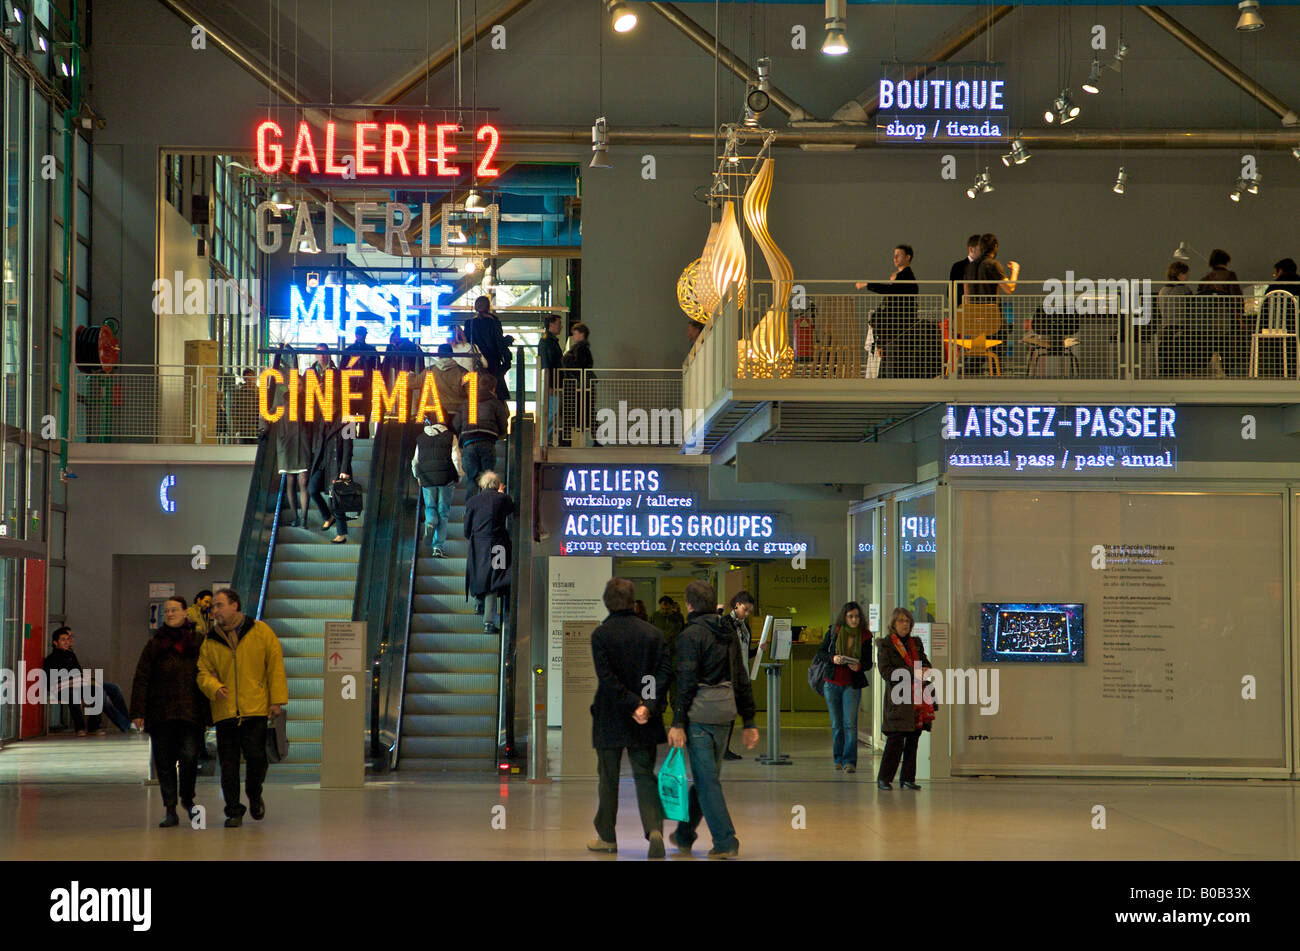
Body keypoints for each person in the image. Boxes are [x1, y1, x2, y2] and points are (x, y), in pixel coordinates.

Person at [668, 579, 758, 859]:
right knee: (707, 778)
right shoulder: (728, 632)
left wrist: (678, 722)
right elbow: (740, 676)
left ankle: (726, 840)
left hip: (699, 716)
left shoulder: (690, 635)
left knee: (707, 781)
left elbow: (685, 682)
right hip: (724, 714)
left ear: (690, 605)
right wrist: (749, 719)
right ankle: (684, 835)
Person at [587, 577, 673, 858]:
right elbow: (660, 674)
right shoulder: (653, 634)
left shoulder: (601, 635)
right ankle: (654, 828)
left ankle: (608, 837)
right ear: (633, 601)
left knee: (608, 777)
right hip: (644, 720)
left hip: (610, 716)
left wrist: (631, 703)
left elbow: (608, 679)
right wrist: (645, 704)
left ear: (607, 602)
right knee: (645, 775)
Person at [197, 588, 288, 828]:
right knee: (228, 764)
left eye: (219, 605)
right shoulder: (211, 640)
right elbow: (202, 671)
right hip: (225, 710)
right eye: (213, 607)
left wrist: (276, 700)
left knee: (257, 758)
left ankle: (254, 792)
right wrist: (213, 686)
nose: (214, 611)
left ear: (234, 605)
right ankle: (233, 810)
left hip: (255, 709)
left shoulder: (261, 632)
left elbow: (274, 666)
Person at [129, 596, 208, 827]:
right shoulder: (155, 644)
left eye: (174, 610)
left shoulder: (198, 641)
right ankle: (170, 807)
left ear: (186, 613)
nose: (170, 614)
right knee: (164, 762)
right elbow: (142, 678)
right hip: (161, 712)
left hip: (190, 712)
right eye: (167, 611)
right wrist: (138, 712)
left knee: (190, 758)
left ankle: (188, 799)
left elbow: (208, 673)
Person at [875, 607, 934, 791]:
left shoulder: (915, 643)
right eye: (901, 620)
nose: (905, 624)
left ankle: (908, 778)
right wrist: (912, 672)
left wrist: (925, 669)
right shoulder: (885, 645)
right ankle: (884, 778)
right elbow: (886, 673)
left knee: (913, 740)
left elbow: (925, 662)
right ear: (893, 624)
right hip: (898, 699)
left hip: (917, 699)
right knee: (895, 740)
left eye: (907, 621)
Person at [43, 627, 134, 735]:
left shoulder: (71, 655)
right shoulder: (51, 659)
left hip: (79, 684)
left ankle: (95, 726)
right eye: (63, 639)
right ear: (55, 642)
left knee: (99, 691)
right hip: (63, 689)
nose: (67, 642)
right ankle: (80, 727)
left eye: (68, 639)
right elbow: (54, 682)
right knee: (73, 693)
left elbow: (78, 674)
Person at [817, 602, 872, 773]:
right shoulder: (835, 631)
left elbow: (868, 662)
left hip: (852, 684)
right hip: (832, 683)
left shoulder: (865, 636)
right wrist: (833, 659)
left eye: (856, 616)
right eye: (850, 616)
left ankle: (850, 761)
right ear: (845, 617)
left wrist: (860, 666)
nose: (854, 620)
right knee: (836, 724)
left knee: (850, 723)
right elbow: (821, 653)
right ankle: (838, 759)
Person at [463, 470, 514, 634]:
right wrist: (501, 494)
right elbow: (510, 509)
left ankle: (479, 604)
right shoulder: (503, 499)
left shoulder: (472, 501)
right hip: (498, 545)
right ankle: (489, 623)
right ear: (498, 484)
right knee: (495, 579)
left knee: (478, 573)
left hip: (478, 544)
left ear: (482, 485)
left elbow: (466, 529)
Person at [858, 244, 919, 374]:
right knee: (889, 371)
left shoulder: (906, 277)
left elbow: (890, 292)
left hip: (898, 334)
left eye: (899, 255)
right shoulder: (904, 277)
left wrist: (868, 284)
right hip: (894, 335)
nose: (895, 258)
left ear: (908, 257)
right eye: (894, 255)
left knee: (891, 372)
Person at [267, 347, 311, 526]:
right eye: (297, 384)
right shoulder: (283, 401)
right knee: (291, 484)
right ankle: (295, 517)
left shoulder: (308, 402)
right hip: (288, 445)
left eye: (301, 384)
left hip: (302, 445)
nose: (299, 387)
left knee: (303, 483)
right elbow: (267, 414)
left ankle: (304, 518)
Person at [452, 372, 509, 499]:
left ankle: (470, 511)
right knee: (487, 479)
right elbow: (503, 424)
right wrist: (500, 434)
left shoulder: (467, 403)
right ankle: (485, 509)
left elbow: (456, 424)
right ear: (493, 388)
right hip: (487, 442)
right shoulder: (495, 403)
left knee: (472, 478)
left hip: (469, 443)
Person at [412, 413, 458, 557]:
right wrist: (459, 475)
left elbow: (415, 461)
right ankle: (437, 547)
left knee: (431, 507)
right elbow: (455, 458)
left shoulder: (421, 438)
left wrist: (417, 476)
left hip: (427, 479)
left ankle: (430, 520)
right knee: (443, 512)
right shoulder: (451, 436)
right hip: (446, 478)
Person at [1197, 249, 1246, 376]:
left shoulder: (1205, 280)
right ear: (1226, 261)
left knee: (1210, 350)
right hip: (1227, 324)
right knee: (1228, 353)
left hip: (1207, 325)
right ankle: (1229, 374)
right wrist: (1240, 319)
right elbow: (1237, 299)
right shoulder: (1230, 276)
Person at [720, 591, 756, 761]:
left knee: (732, 713)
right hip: (729, 676)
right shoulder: (725, 623)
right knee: (727, 714)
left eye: (750, 611)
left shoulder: (744, 626)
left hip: (742, 675)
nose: (747, 614)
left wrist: (758, 650)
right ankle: (722, 748)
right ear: (737, 604)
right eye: (745, 609)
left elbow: (743, 652)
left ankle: (724, 748)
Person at [465, 295, 514, 402]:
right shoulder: (494, 322)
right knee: (497, 396)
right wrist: (508, 341)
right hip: (493, 364)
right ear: (488, 307)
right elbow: (499, 343)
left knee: (477, 397)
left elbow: (468, 344)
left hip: (476, 364)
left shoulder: (469, 323)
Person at [342, 325, 380, 438]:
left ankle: (355, 444)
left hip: (363, 390)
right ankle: (350, 445)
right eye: (359, 334)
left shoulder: (351, 351)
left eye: (362, 334)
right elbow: (342, 370)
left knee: (363, 420)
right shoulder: (351, 351)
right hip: (353, 390)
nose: (360, 336)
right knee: (352, 420)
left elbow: (377, 370)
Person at [561, 323, 594, 446]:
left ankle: (567, 440)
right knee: (584, 413)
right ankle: (593, 439)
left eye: (575, 333)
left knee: (572, 413)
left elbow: (577, 366)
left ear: (582, 334)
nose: (573, 336)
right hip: (580, 386)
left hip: (577, 386)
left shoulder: (580, 350)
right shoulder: (583, 349)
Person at [539, 315, 565, 444]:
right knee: (552, 413)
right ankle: (544, 440)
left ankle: (546, 439)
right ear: (551, 324)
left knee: (553, 413)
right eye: (559, 323)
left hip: (555, 383)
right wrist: (548, 384)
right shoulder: (546, 342)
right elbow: (546, 364)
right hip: (553, 383)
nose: (561, 326)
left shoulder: (551, 341)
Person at [949, 234, 981, 307]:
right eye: (980, 249)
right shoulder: (958, 267)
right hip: (963, 308)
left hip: (981, 308)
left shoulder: (984, 266)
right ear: (971, 249)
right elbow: (952, 291)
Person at [231, 369, 260, 443]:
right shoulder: (238, 393)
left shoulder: (260, 392)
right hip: (243, 428)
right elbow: (234, 411)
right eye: (246, 376)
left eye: (250, 376)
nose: (249, 378)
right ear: (244, 378)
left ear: (254, 377)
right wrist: (237, 428)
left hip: (256, 428)